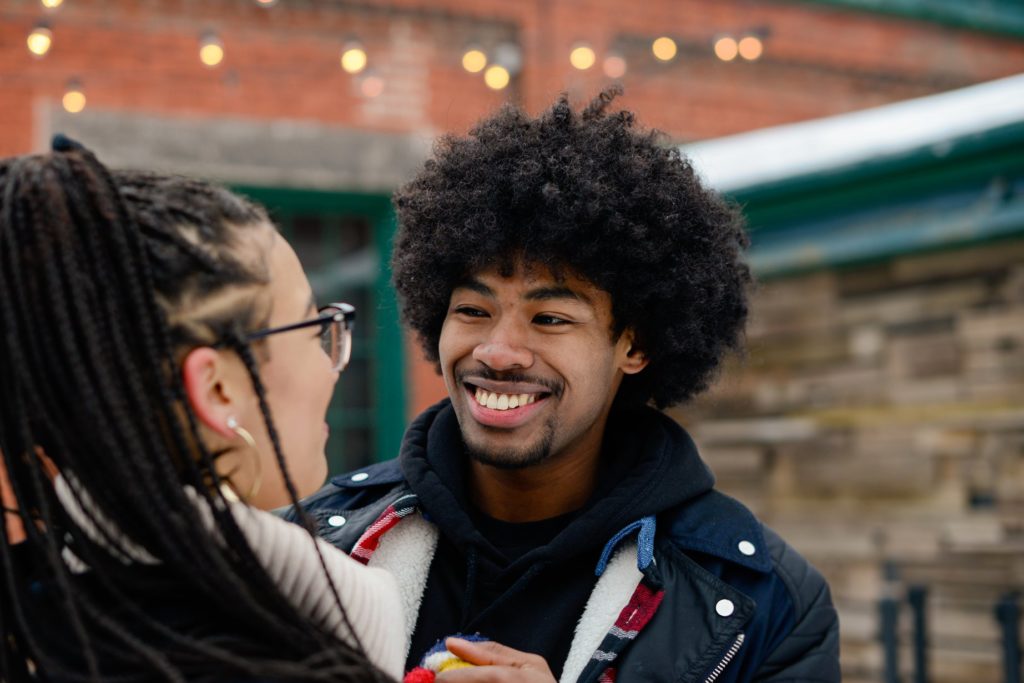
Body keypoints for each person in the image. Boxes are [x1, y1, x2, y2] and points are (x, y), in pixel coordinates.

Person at [298, 89, 841, 683]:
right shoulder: (317, 544)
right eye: (474, 310)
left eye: (550, 319)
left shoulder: (765, 601)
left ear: (634, 347)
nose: (497, 351)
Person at [0, 138, 404, 682]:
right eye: (314, 329)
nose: (331, 363)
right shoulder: (256, 658)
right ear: (216, 391)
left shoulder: (49, 612)